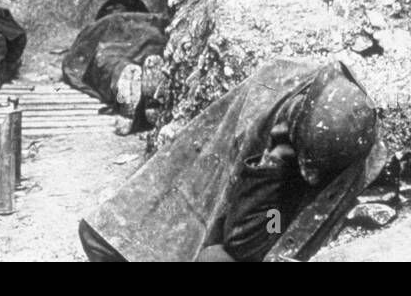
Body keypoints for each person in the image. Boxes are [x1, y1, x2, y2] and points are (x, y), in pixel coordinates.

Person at [79, 59, 383, 262]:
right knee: (104, 238)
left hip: (263, 223)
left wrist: (271, 170)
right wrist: (272, 165)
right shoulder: (274, 104)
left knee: (216, 256)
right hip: (251, 204)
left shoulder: (340, 139)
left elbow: (251, 240)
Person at [61, 0, 167, 132]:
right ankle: (152, 86)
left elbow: (77, 60)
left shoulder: (102, 23)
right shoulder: (148, 19)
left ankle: (123, 77)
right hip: (147, 31)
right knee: (150, 52)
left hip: (110, 35)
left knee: (109, 62)